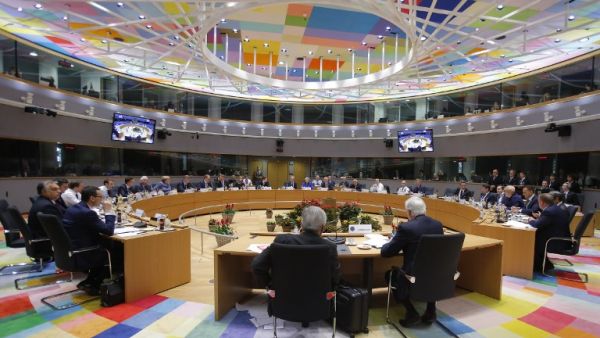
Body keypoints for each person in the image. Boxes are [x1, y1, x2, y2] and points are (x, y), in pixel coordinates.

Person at [381, 196, 443, 327]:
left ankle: (412, 313)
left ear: (409, 212)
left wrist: (392, 241)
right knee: (429, 269)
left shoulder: (406, 228)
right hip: (435, 276)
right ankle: (431, 311)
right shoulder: (438, 225)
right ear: (425, 210)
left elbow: (386, 253)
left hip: (412, 278)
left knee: (389, 275)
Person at [251, 205, 340, 291]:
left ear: (301, 224)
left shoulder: (282, 240)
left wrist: (270, 285)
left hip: (282, 301)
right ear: (323, 227)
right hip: (318, 303)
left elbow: (257, 265)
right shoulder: (330, 248)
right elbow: (335, 279)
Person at [62, 186, 116, 295]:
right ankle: (98, 283)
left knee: (108, 243)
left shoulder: (73, 208)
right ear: (92, 198)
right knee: (116, 247)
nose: (102, 199)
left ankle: (91, 282)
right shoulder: (87, 213)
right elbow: (109, 231)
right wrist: (109, 212)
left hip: (71, 249)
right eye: (101, 197)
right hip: (83, 252)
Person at [528, 193, 570, 272]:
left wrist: (530, 220)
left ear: (542, 202)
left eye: (538, 202)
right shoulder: (554, 208)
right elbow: (547, 222)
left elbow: (537, 225)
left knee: (531, 239)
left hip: (556, 241)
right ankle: (545, 264)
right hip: (560, 237)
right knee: (536, 236)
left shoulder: (549, 211)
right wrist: (540, 218)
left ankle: (538, 266)